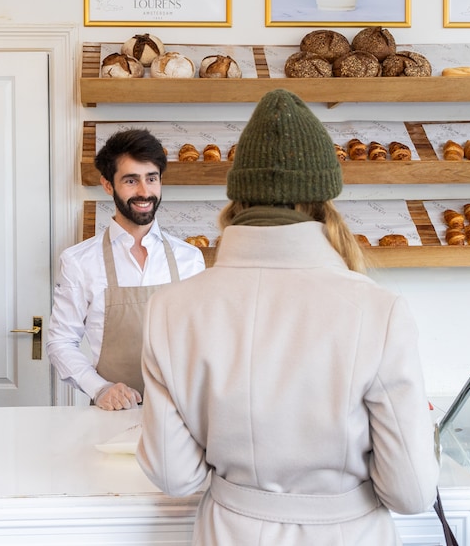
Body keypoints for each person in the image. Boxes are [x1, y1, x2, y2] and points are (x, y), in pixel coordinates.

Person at [137, 89, 439, 545]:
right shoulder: (380, 311)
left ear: (238, 198)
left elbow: (174, 476)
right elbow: (411, 492)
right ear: (323, 201)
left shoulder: (170, 309)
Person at [47, 128, 206, 411]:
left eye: (152, 179)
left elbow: (203, 340)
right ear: (108, 185)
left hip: (180, 413)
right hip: (110, 412)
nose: (144, 192)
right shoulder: (78, 261)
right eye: (131, 180)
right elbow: (60, 342)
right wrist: (100, 389)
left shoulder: (189, 259)